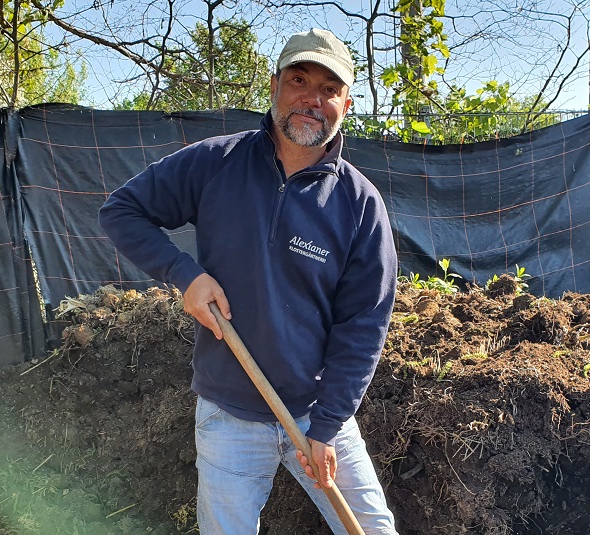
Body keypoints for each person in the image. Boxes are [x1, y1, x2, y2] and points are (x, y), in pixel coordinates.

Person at [99, 28, 399, 535]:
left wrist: (327, 426)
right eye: (299, 80)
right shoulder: (217, 163)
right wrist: (183, 273)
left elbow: (363, 325)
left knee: (373, 530)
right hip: (228, 416)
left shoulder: (359, 204)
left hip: (315, 412)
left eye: (329, 88)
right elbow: (121, 210)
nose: (312, 98)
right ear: (275, 85)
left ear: (346, 102)